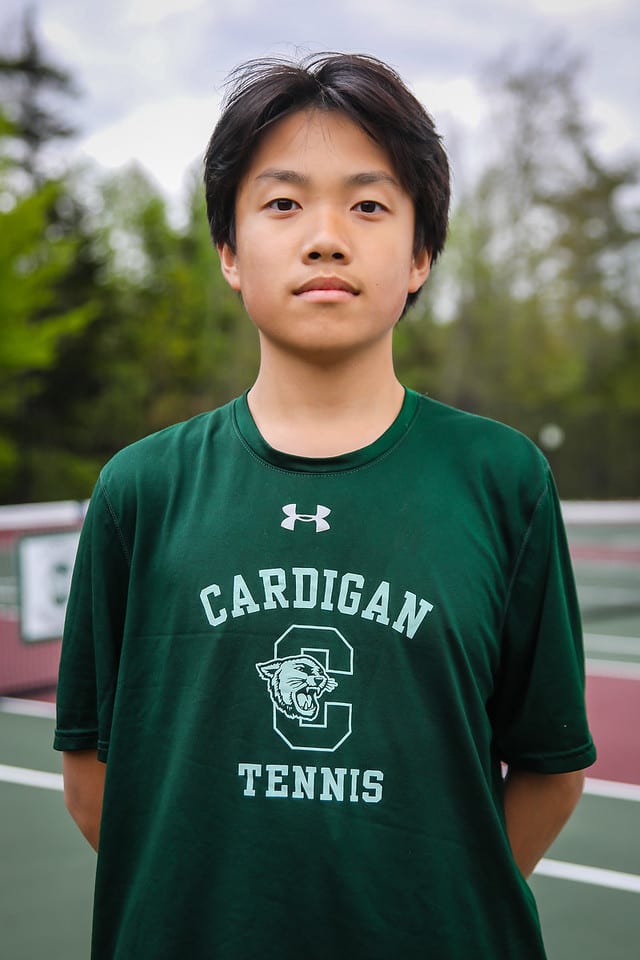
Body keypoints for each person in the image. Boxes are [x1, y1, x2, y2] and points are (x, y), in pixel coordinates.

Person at [55, 53, 595, 959]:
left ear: (421, 255)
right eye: (282, 203)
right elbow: (89, 773)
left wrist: (424, 903)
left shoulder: (502, 479)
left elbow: (549, 769)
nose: (326, 237)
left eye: (370, 205)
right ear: (229, 251)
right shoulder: (140, 489)